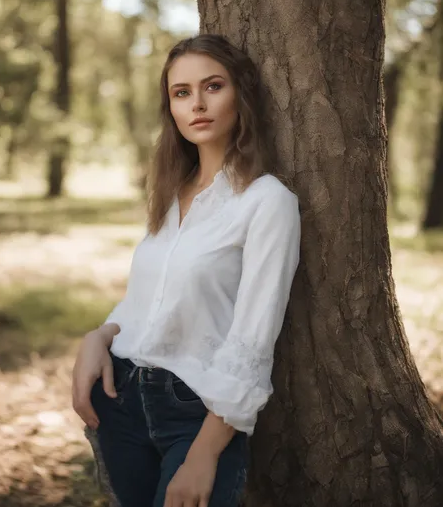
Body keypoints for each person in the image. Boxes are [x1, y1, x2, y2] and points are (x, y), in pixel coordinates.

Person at [72, 34, 301, 507]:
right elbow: (147, 302)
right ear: (171, 109)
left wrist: (204, 453)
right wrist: (100, 335)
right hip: (122, 401)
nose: (197, 103)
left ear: (241, 94)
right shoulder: (170, 196)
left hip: (196, 414)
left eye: (212, 86)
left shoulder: (266, 202)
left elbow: (254, 340)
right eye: (181, 93)